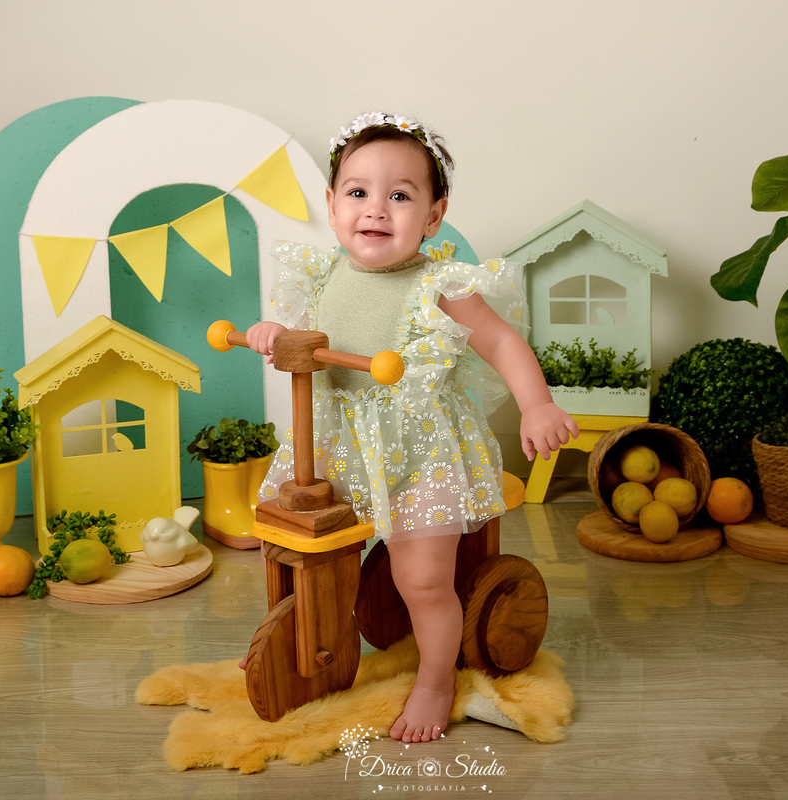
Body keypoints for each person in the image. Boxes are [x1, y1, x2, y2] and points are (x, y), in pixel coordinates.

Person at [244, 111, 578, 743]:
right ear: (332, 203)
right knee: (299, 543)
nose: (376, 209)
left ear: (432, 215)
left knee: (421, 578)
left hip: (421, 450)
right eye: (358, 192)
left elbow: (503, 342)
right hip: (337, 443)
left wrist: (536, 405)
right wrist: (273, 335)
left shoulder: (440, 286)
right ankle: (296, 642)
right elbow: (299, 340)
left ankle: (434, 678)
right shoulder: (320, 277)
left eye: (400, 195)